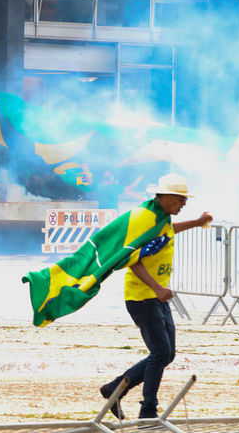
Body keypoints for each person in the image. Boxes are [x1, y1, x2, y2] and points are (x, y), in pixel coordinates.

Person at [99, 173, 212, 421]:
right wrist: (157, 288)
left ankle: (114, 388)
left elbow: (170, 230)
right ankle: (147, 411)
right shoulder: (145, 219)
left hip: (156, 296)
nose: (184, 204)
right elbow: (132, 259)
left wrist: (197, 222)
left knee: (167, 353)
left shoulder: (162, 217)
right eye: (181, 199)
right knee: (161, 352)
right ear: (166, 197)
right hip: (143, 296)